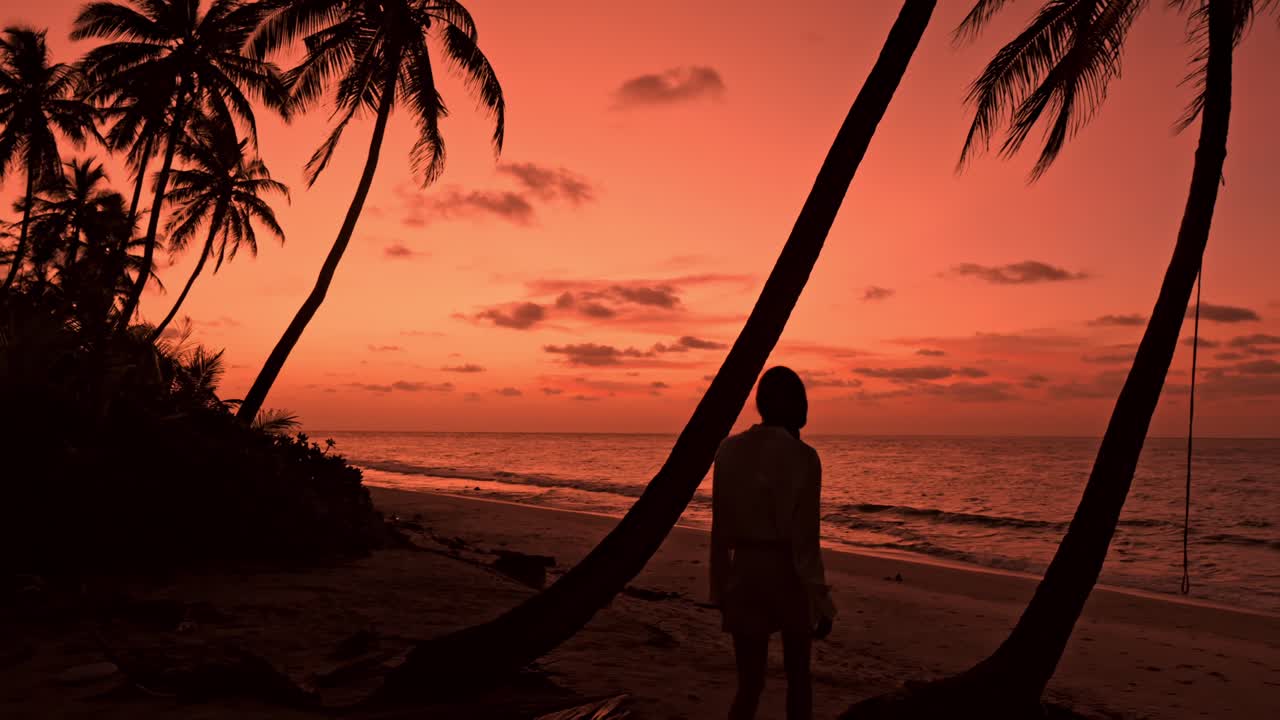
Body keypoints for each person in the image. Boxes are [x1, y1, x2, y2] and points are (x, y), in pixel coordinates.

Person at [710, 366, 834, 720]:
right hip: (787, 572)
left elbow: (719, 528)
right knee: (798, 679)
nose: (807, 406)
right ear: (792, 403)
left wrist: (719, 588)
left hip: (745, 570)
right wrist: (820, 599)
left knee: (749, 684)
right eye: (802, 398)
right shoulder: (804, 457)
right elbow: (806, 540)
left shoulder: (728, 451)